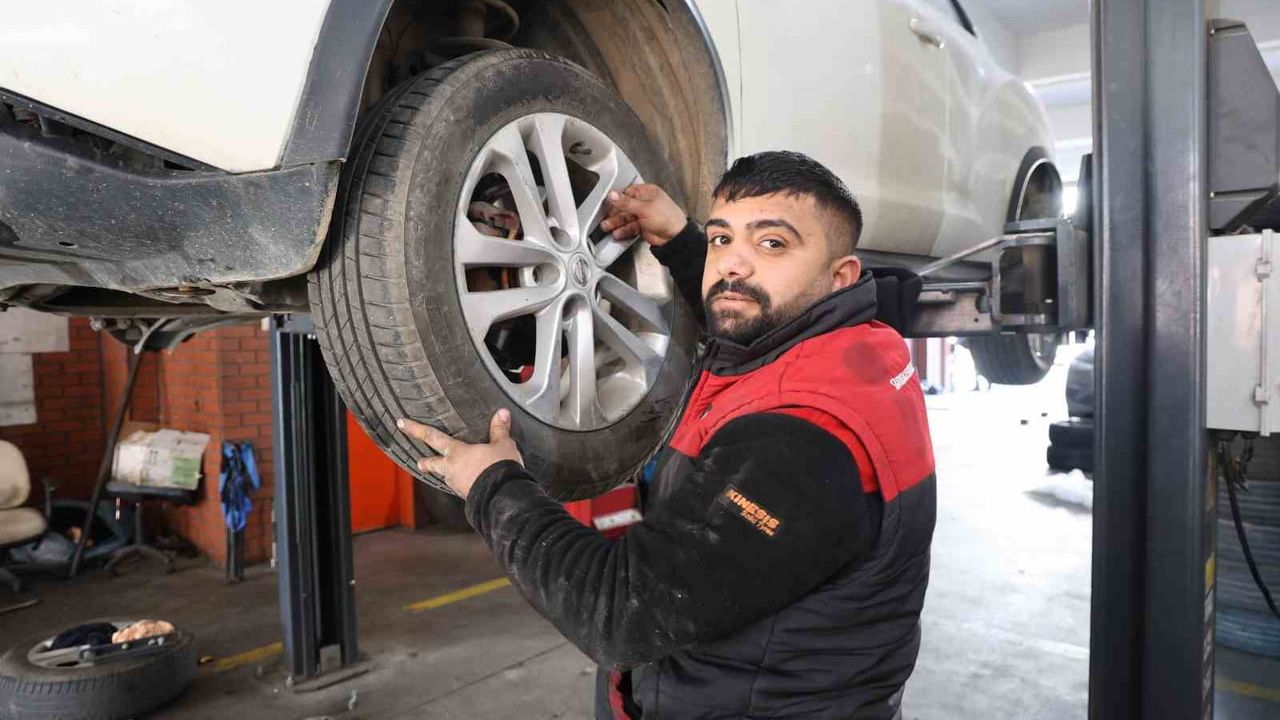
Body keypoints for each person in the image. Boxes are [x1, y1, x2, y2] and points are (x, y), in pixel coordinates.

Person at [397, 151, 937, 719]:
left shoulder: (801, 443)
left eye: (772, 244)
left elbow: (621, 613)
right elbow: (743, 321)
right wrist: (681, 239)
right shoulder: (853, 351)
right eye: (724, 239)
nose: (734, 267)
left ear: (841, 275)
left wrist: (493, 487)